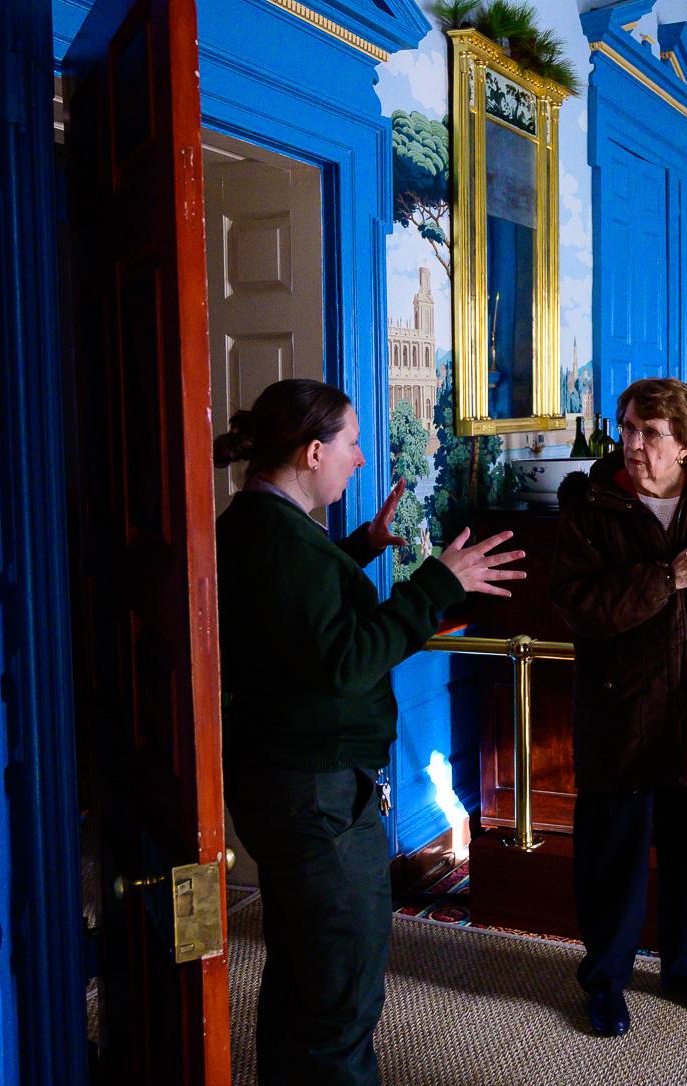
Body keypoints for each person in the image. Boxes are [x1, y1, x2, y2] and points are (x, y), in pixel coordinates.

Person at [213, 378, 525, 1085]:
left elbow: (293, 619)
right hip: (317, 796)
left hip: (286, 783)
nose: (359, 459)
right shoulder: (282, 542)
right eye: (352, 444)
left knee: (305, 971)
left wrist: (356, 548)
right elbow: (346, 660)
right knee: (341, 995)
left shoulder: (255, 526)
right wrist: (435, 584)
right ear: (314, 450)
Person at [549, 377, 687, 1038]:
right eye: (627, 428)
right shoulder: (590, 505)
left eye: (650, 434)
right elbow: (579, 606)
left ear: (686, 443)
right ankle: (605, 979)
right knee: (613, 858)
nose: (632, 444)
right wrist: (665, 577)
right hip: (623, 714)